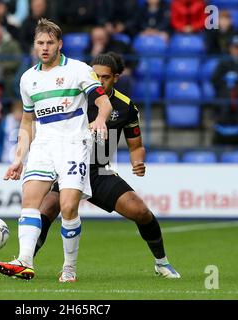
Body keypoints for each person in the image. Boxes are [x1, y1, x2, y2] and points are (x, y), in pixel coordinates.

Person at [33, 52, 180, 279]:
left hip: (100, 172)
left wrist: (137, 160)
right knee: (47, 210)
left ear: (116, 78)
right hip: (69, 167)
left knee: (140, 211)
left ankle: (162, 263)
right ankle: (25, 262)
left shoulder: (126, 107)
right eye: (95, 76)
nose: (99, 81)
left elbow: (136, 145)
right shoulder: (75, 96)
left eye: (105, 77)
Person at [0, 18, 113, 282]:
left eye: (49, 42)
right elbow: (27, 121)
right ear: (34, 45)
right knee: (30, 200)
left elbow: (104, 103)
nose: (44, 47)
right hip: (43, 146)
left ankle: (69, 267)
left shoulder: (79, 70)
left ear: (60, 44)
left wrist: (101, 119)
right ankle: (25, 260)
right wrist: (18, 158)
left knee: (68, 207)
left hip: (73, 145)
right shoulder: (28, 79)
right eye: (40, 43)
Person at [211, 35, 238, 127]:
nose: (237, 50)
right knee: (225, 93)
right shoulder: (223, 61)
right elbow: (215, 79)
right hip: (225, 92)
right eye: (235, 47)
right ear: (230, 48)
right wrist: (226, 82)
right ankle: (223, 121)